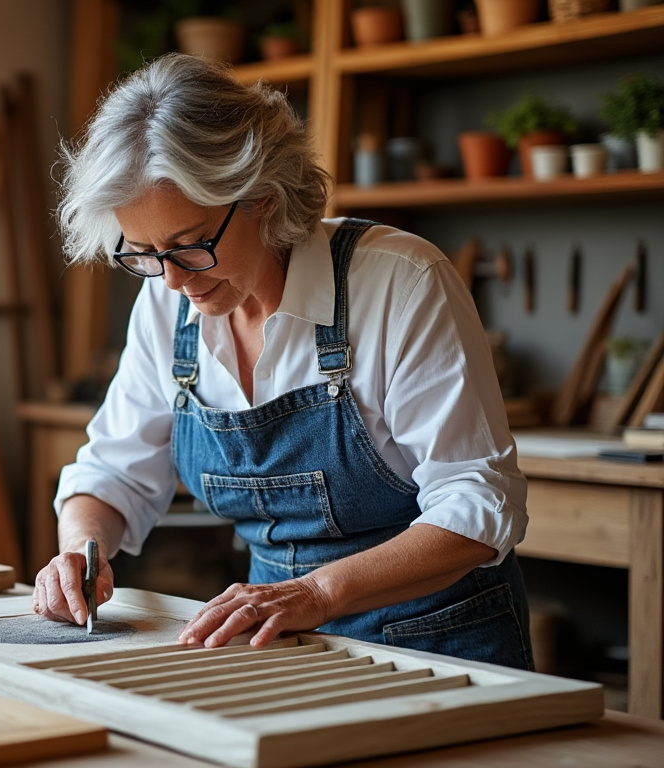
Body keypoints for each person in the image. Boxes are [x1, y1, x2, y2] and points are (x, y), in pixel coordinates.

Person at [32, 53, 533, 669]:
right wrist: (81, 552)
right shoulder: (169, 303)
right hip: (281, 642)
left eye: (191, 245)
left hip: (440, 640)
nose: (169, 280)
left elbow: (478, 502)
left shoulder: (400, 281)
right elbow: (114, 472)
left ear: (263, 196)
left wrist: (318, 591)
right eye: (142, 253)